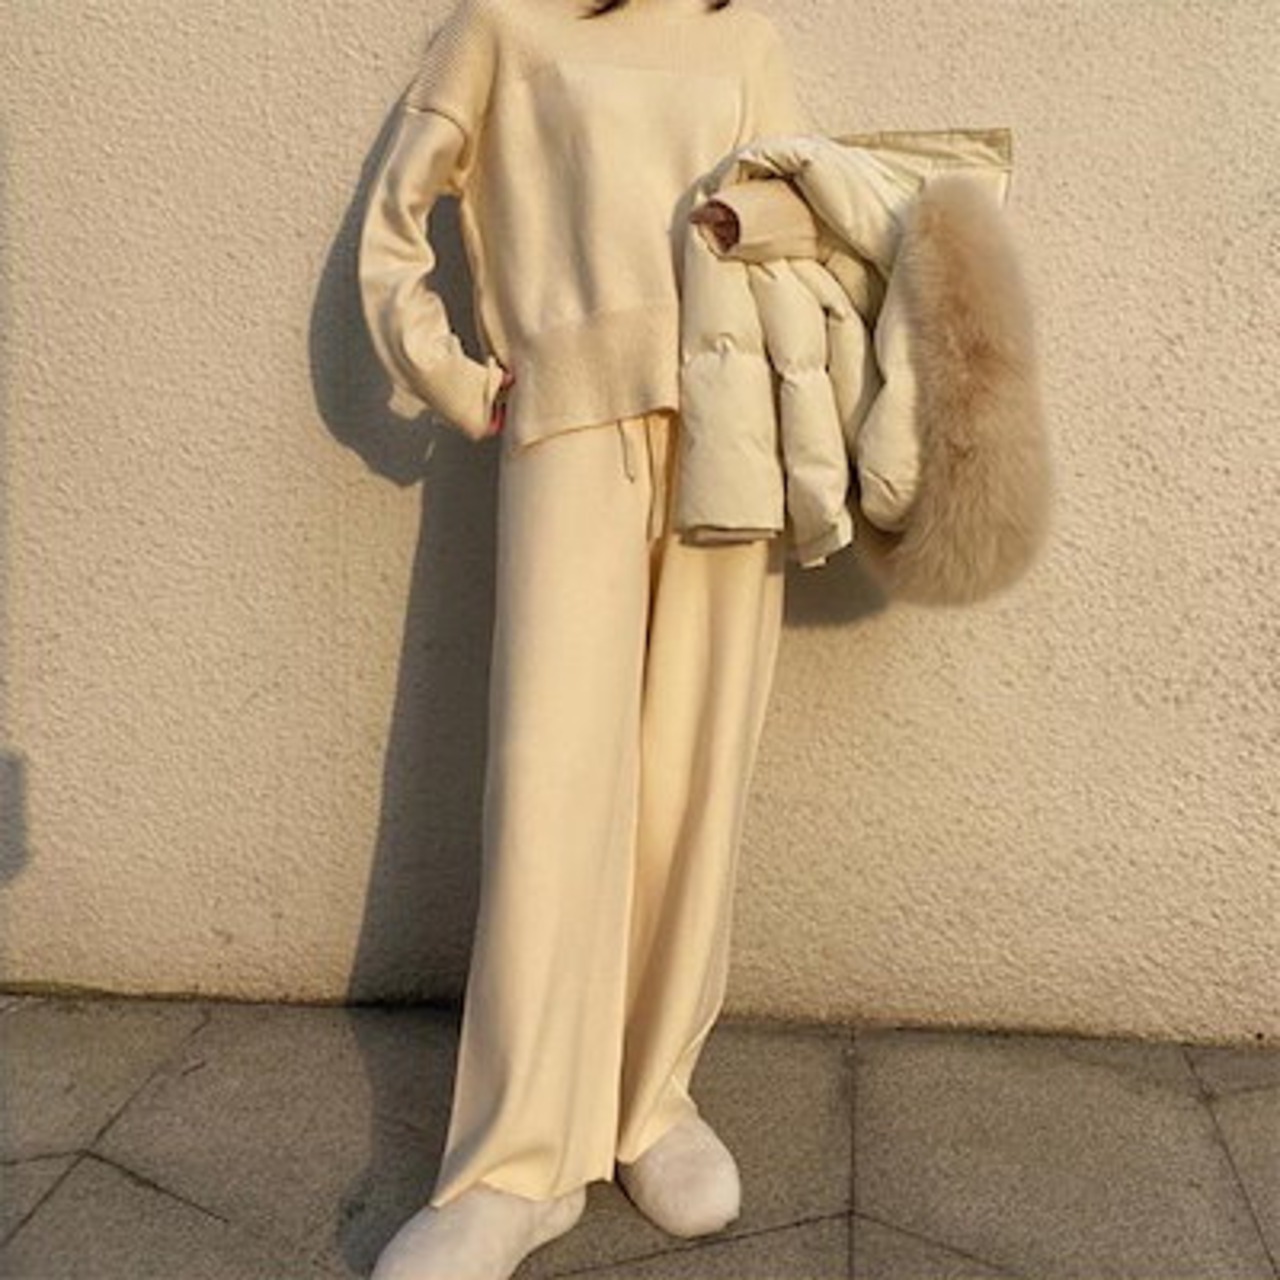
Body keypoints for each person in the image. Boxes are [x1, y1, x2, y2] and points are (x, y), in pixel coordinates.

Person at [357, 0, 809, 1275]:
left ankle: (648, 1100)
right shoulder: (503, 25)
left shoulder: (740, 36)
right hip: (565, 431)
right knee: (549, 786)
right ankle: (516, 1162)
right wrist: (452, 377)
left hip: (730, 428)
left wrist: (750, 223)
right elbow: (393, 226)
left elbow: (801, 217)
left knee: (690, 776)